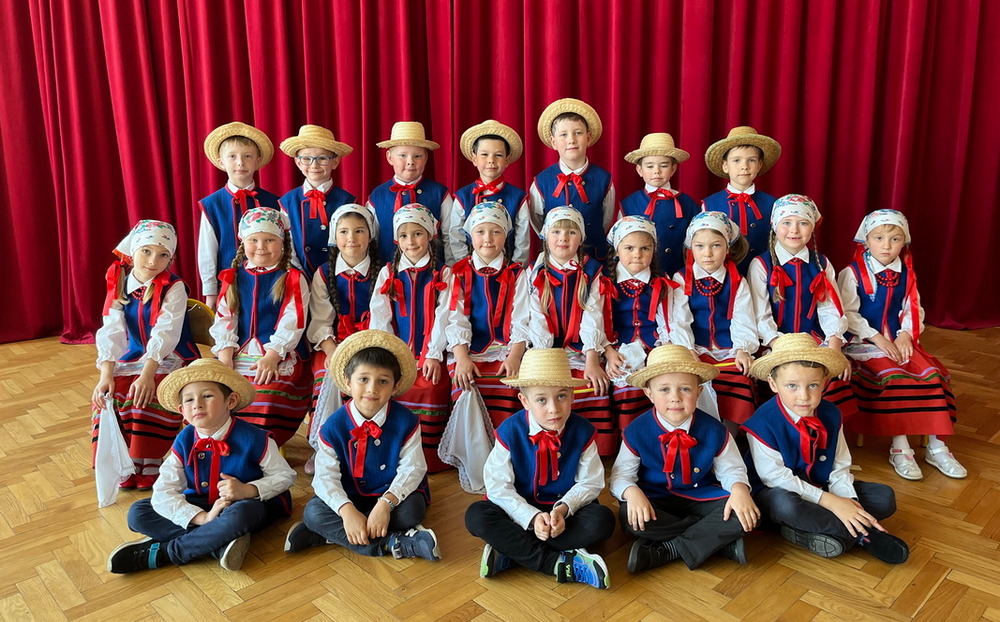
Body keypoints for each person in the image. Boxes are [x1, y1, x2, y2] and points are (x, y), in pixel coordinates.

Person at [107, 359, 295, 573]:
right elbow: (164, 489)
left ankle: (167, 553)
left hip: (242, 504)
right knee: (138, 513)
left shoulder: (256, 438)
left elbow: (285, 476)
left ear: (231, 401)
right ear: (181, 410)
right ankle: (217, 543)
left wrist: (248, 490)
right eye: (189, 400)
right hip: (201, 505)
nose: (197, 404)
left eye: (207, 396)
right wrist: (201, 518)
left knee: (242, 514)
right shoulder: (184, 439)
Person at [742, 334, 909, 564]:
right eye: (792, 386)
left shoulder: (831, 414)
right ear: (773, 384)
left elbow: (839, 465)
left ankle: (811, 532)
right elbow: (775, 478)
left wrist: (848, 502)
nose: (804, 396)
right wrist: (830, 502)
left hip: (820, 486)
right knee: (786, 505)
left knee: (884, 497)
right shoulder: (762, 423)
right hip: (778, 493)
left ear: (824, 382)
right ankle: (864, 536)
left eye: (813, 385)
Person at [464, 348, 615, 589]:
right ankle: (554, 562)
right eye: (541, 400)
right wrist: (532, 517)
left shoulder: (583, 431)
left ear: (572, 395)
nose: (554, 408)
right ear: (525, 401)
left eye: (561, 396)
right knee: (476, 516)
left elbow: (591, 482)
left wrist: (563, 510)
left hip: (564, 512)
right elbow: (498, 486)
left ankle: (512, 549)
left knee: (603, 521)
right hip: (519, 511)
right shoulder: (510, 431)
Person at [284, 330, 439, 561]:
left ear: (395, 386)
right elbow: (325, 477)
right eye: (363, 379)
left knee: (411, 511)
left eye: (383, 381)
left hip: (390, 494)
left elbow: (413, 468)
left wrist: (385, 505)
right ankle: (394, 543)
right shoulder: (332, 426)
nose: (372, 389)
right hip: (350, 494)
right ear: (348, 383)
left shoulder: (407, 421)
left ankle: (326, 535)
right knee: (313, 512)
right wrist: (346, 511)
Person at [838, 209, 966, 480]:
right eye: (879, 238)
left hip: (899, 340)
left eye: (894, 239)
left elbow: (913, 308)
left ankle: (937, 446)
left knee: (932, 375)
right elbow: (848, 313)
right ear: (866, 240)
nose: (886, 245)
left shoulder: (907, 274)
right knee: (896, 378)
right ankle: (900, 446)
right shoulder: (853, 273)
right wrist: (877, 337)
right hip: (864, 342)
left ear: (904, 242)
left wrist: (906, 334)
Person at [610, 345, 759, 572]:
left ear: (698, 392)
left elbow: (731, 470)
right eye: (664, 390)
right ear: (649, 394)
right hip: (656, 498)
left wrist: (739, 489)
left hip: (702, 497)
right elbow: (621, 476)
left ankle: (668, 549)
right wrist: (631, 493)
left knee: (743, 512)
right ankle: (714, 541)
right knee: (629, 516)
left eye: (685, 389)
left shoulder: (715, 430)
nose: (675, 398)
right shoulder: (636, 431)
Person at [92, 220, 200, 490]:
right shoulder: (118, 281)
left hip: (170, 355)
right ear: (134, 251)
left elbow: (166, 332)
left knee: (146, 392)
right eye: (147, 251)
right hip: (134, 353)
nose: (153, 261)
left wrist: (147, 374)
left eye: (163, 255)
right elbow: (112, 329)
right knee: (111, 394)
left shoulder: (174, 287)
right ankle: (125, 460)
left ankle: (149, 460)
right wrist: (106, 375)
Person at [438, 202, 530, 491]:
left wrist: (515, 354)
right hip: (469, 350)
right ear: (470, 236)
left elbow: (521, 316)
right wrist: (462, 358)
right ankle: (476, 459)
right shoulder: (458, 272)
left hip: (506, 348)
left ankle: (509, 455)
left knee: (511, 384)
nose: (488, 239)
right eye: (480, 232)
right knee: (465, 381)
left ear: (506, 236)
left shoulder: (518, 273)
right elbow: (455, 317)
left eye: (495, 232)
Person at [746, 194, 856, 418]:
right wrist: (779, 344)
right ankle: (787, 427)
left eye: (803, 223)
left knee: (831, 374)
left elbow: (830, 309)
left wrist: (834, 346)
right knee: (789, 373)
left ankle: (828, 427)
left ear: (812, 227)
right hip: (775, 342)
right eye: (786, 223)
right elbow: (760, 315)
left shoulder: (821, 264)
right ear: (775, 226)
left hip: (813, 340)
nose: (794, 230)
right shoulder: (761, 265)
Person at [210, 207, 312, 446]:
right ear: (243, 242)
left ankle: (260, 449)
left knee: (265, 397)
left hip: (279, 354)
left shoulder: (293, 278)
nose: (261, 247)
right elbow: (225, 318)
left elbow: (293, 321)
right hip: (235, 352)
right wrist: (225, 357)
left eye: (269, 240)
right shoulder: (232, 276)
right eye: (253, 240)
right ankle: (225, 446)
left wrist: (272, 356)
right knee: (215, 393)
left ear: (282, 243)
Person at [369, 204, 452, 471]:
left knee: (431, 385)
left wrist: (433, 355)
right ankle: (396, 454)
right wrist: (391, 355)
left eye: (417, 234)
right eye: (404, 236)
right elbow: (380, 317)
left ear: (429, 235)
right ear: (397, 240)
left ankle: (429, 458)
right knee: (389, 384)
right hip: (397, 352)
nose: (411, 241)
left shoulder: (443, 273)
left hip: (431, 353)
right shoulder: (388, 273)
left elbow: (444, 316)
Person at [528, 207, 615, 454]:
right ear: (546, 236)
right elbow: (536, 318)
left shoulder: (592, 271)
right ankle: (549, 443)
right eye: (556, 232)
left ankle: (590, 448)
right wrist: (545, 360)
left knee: (593, 384)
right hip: (546, 350)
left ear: (581, 238)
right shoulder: (535, 271)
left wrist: (592, 360)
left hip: (582, 348)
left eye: (571, 232)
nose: (563, 238)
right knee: (547, 386)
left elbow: (593, 315)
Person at [304, 204, 380, 474]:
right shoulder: (323, 274)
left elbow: (384, 317)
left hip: (373, 341)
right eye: (344, 231)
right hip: (333, 343)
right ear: (334, 237)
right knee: (327, 373)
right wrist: (333, 351)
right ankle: (324, 445)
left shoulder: (382, 270)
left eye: (359, 231)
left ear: (370, 235)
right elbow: (320, 320)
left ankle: (365, 444)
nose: (351, 238)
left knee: (369, 374)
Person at [671, 212, 759, 429]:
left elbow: (743, 319)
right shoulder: (681, 279)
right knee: (692, 379)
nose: (708, 253)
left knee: (739, 376)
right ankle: (700, 430)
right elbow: (680, 320)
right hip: (696, 349)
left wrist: (742, 349)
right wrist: (687, 349)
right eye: (700, 246)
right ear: (691, 248)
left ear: (728, 248)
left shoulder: (737, 281)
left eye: (716, 246)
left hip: (728, 350)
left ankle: (731, 435)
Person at [602, 216, 676, 439]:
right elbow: (598, 321)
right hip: (618, 349)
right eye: (629, 248)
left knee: (663, 385)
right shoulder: (605, 281)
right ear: (617, 250)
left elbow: (668, 321)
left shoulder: (661, 281)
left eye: (645, 248)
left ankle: (659, 437)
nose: (637, 254)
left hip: (654, 349)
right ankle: (630, 441)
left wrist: (662, 350)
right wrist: (608, 351)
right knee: (627, 389)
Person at [197, 122, 281, 308]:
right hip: (228, 286)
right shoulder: (212, 205)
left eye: (247, 156)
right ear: (221, 161)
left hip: (269, 284)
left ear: (257, 161)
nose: (240, 162)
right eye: (232, 156)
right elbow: (207, 252)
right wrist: (210, 292)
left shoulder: (275, 202)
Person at [529, 98, 615, 262]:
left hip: (594, 258)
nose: (571, 140)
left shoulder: (604, 180)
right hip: (556, 260)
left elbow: (606, 220)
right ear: (554, 142)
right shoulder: (541, 181)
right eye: (563, 134)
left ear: (588, 137)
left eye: (578, 133)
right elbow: (537, 220)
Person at [366, 122, 455, 264]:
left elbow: (450, 235)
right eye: (402, 155)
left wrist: (451, 266)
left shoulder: (440, 193)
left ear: (426, 158)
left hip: (432, 272)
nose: (410, 162)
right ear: (389, 157)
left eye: (417, 156)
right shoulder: (378, 196)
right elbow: (372, 238)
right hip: (389, 270)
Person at [278, 124, 357, 275]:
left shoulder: (348, 201)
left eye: (322, 158)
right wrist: (299, 276)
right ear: (298, 162)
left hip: (338, 275)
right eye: (306, 158)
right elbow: (287, 246)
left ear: (335, 162)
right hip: (300, 275)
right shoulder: (288, 202)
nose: (314, 165)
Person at [702, 126, 782, 273]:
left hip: (764, 274)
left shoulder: (773, 204)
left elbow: (779, 242)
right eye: (737, 160)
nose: (744, 166)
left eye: (751, 160)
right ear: (725, 166)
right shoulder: (709, 204)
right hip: (725, 276)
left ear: (759, 165)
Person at [450, 120, 530, 264]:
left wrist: (516, 267)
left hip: (507, 269)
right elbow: (456, 235)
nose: (491, 160)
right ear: (474, 159)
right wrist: (465, 264)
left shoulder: (518, 197)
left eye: (498, 155)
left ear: (507, 160)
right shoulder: (463, 196)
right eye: (484, 154)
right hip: (471, 268)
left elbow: (522, 239)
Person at [620, 133, 700, 275]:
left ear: (673, 169)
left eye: (664, 165)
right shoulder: (628, 204)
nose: (657, 171)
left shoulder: (687, 203)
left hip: (678, 273)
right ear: (640, 170)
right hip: (642, 273)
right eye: (650, 166)